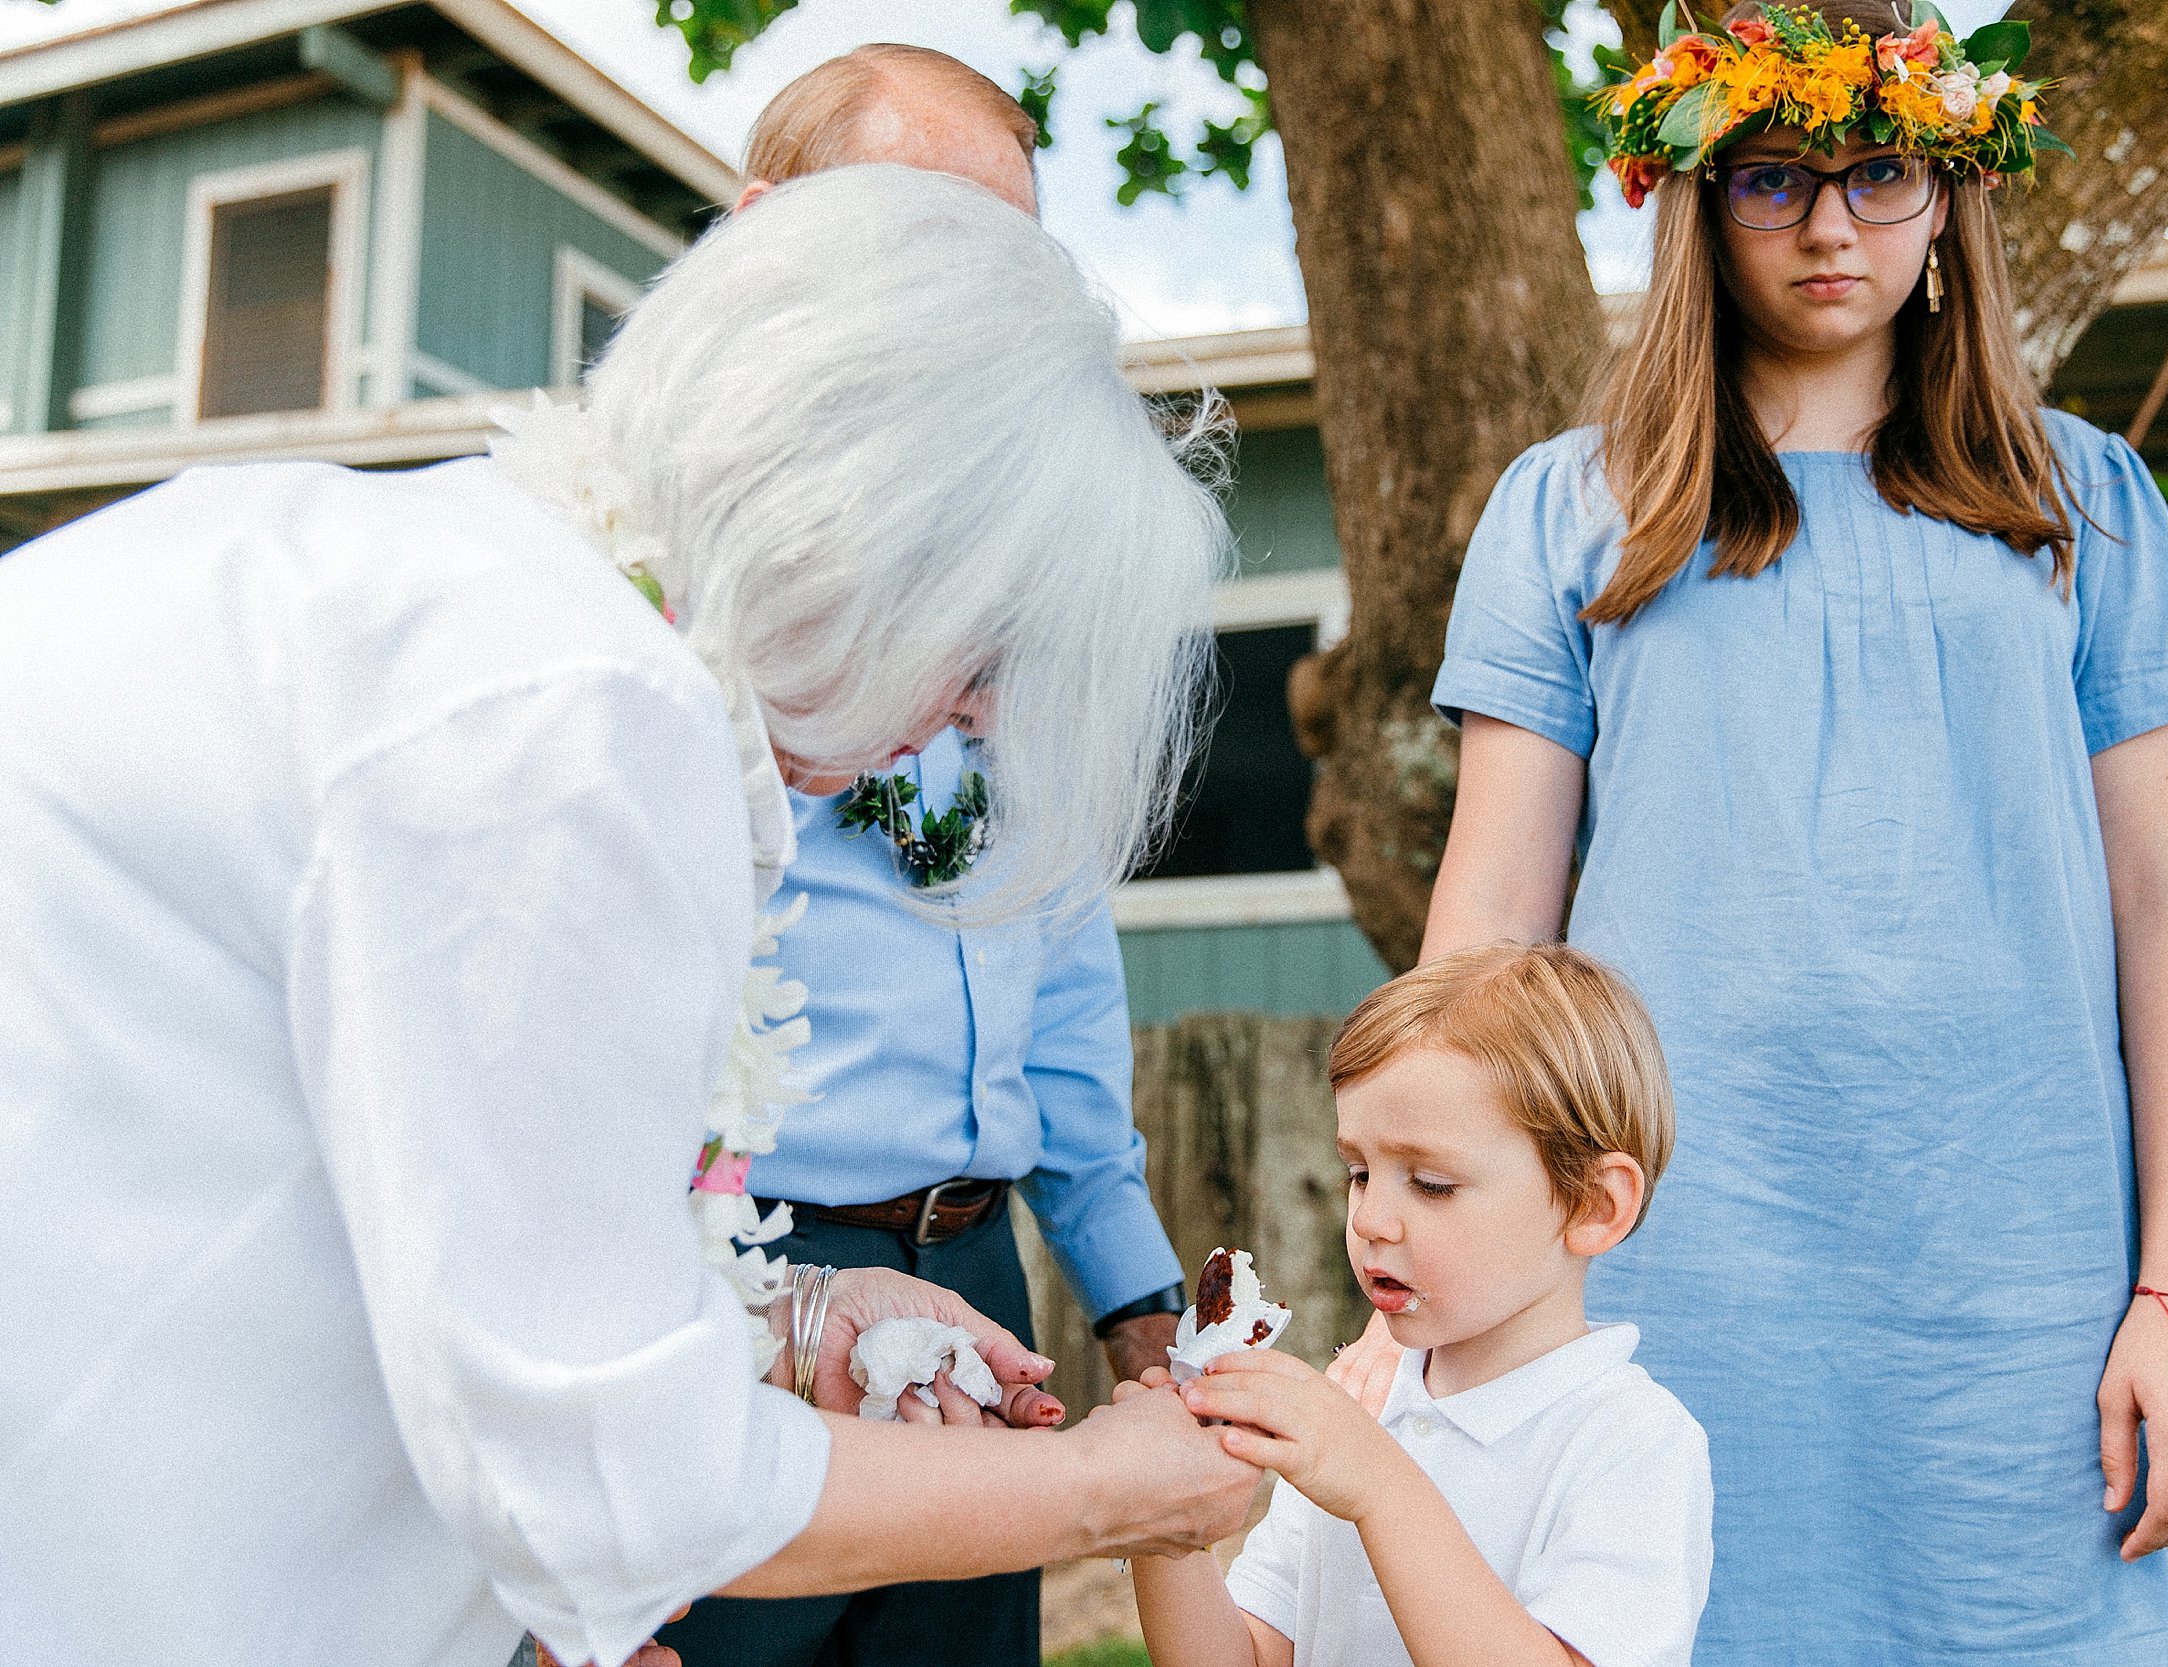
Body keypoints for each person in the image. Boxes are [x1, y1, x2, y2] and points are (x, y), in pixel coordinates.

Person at [0, 166, 1257, 1667]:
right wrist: (1098, 1485)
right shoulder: (574, 713)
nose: (958, 726)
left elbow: (431, 1214)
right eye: (985, 660)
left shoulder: (435, 581)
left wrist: (788, 1317)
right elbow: (608, 1493)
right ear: (880, 536)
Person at [1406, 4, 2168, 1662]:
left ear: (1950, 197)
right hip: (1673, 1262)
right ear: (1695, 200)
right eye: (1773, 179)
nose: (1826, 226)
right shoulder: (1570, 507)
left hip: (2019, 1287)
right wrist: (1438, 1247)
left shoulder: (2084, 502)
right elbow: (1490, 925)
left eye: (1879, 174)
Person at [656, 47, 1196, 1667]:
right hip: (744, 1270)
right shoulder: (666, 623)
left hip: (976, 1262)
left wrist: (1138, 1306)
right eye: (930, 241)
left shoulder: (1028, 625)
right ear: (770, 240)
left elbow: (1070, 1020)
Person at [1127, 942, 1713, 1667]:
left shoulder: (1631, 1442)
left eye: (1431, 1182)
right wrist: (1164, 1527)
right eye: (1360, 1172)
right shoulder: (1359, 1405)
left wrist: (1378, 1484)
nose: (1372, 1217)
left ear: (1593, 1205)